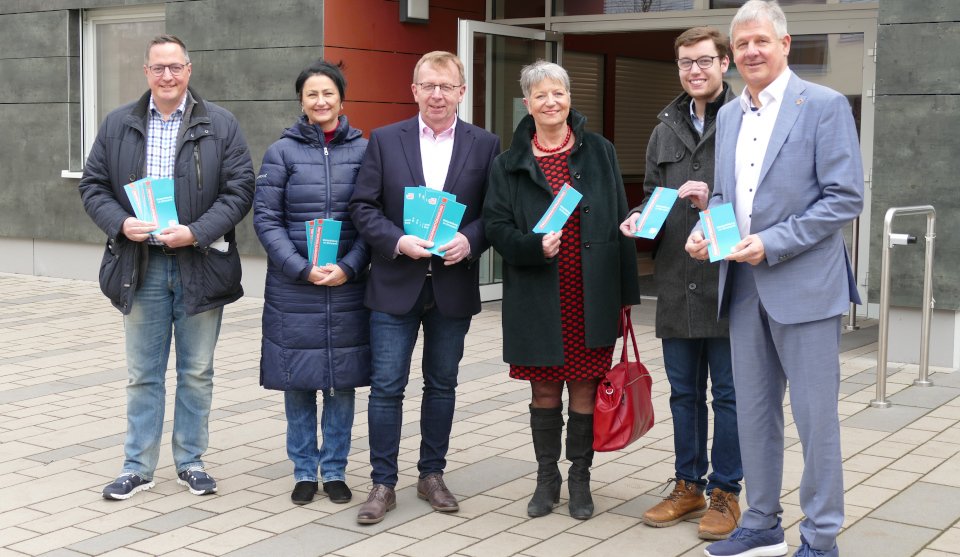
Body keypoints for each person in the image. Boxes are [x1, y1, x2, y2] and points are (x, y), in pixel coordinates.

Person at [685, 2, 863, 556]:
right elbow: (723, 195)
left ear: (785, 45)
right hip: (741, 288)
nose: (752, 52)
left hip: (806, 288)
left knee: (816, 420)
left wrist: (774, 243)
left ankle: (821, 535)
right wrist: (708, 234)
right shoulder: (732, 115)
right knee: (756, 414)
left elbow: (845, 198)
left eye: (761, 40)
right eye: (742, 45)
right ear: (732, 55)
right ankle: (761, 521)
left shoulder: (825, 106)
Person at [79, 34, 255, 500]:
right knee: (143, 373)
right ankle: (137, 466)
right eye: (158, 67)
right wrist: (120, 223)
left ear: (189, 70)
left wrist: (196, 231)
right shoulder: (118, 123)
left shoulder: (221, 123)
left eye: (175, 66)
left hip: (200, 262)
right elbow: (93, 186)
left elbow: (240, 190)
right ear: (146, 72)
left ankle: (191, 461)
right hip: (141, 265)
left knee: (197, 371)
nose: (167, 75)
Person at [348, 51, 500, 524]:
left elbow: (494, 213)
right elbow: (362, 206)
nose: (437, 94)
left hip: (452, 286)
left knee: (443, 386)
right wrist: (397, 241)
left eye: (446, 86)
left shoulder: (485, 144)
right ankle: (382, 483)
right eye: (428, 86)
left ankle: (432, 475)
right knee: (387, 387)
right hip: (396, 283)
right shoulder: (385, 140)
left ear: (461, 91)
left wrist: (469, 240)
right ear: (414, 90)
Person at [485, 60, 640, 521]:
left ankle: (581, 479)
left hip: (589, 293)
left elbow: (618, 219)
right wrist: (531, 246)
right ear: (527, 103)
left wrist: (625, 295)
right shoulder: (509, 164)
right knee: (545, 393)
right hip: (536, 295)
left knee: (586, 393)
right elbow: (495, 226)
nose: (551, 102)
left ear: (570, 98)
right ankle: (546, 478)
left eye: (559, 93)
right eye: (541, 95)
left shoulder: (599, 151)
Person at [619, 27, 742, 540]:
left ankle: (727, 491)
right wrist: (637, 218)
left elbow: (759, 199)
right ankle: (687, 485)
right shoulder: (663, 127)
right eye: (686, 62)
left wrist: (710, 200)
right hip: (674, 280)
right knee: (684, 394)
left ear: (725, 64)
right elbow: (653, 195)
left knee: (730, 394)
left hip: (728, 279)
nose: (695, 70)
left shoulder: (744, 120)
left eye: (705, 61)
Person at [254, 60, 370, 506]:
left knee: (341, 382)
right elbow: (266, 219)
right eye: (311, 95)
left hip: (347, 284)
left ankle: (336, 469)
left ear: (342, 98)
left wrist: (351, 266)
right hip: (294, 286)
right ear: (301, 101)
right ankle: (304, 470)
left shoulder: (364, 151)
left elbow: (370, 220)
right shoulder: (280, 152)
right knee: (298, 381)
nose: (320, 101)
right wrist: (300, 267)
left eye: (328, 93)